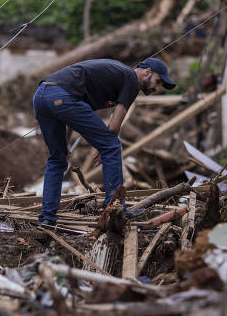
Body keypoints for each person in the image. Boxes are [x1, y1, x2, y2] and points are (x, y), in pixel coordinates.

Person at [34, 57, 175, 225]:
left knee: (58, 159)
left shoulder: (113, 78)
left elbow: (71, 109)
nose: (157, 88)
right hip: (62, 97)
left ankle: (47, 218)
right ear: (147, 72)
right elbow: (114, 126)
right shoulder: (130, 79)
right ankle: (115, 209)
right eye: (158, 82)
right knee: (112, 145)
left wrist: (66, 144)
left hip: (42, 95)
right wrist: (103, 146)